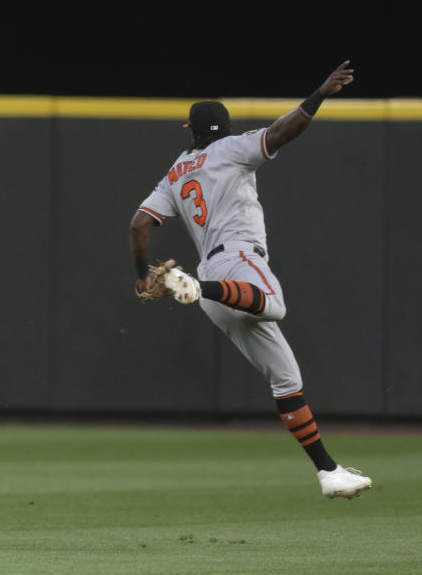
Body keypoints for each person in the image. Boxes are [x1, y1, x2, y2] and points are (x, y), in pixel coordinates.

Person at [130, 60, 372, 499]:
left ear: (193, 130)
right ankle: (192, 286)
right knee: (275, 304)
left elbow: (139, 225)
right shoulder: (233, 148)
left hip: (215, 289)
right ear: (222, 128)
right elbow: (282, 131)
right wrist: (317, 95)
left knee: (286, 379)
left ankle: (329, 472)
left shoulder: (174, 172)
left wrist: (142, 274)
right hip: (235, 265)